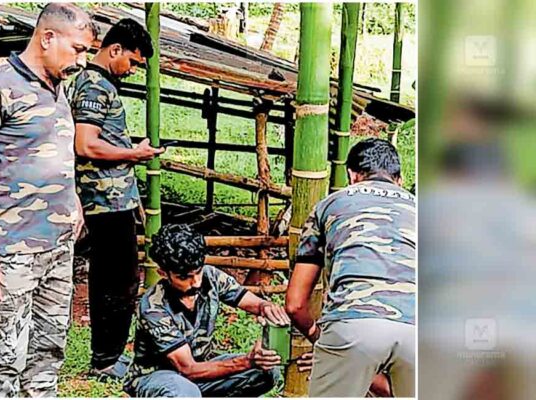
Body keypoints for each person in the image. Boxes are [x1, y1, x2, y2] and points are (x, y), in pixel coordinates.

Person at [0, 3, 97, 397]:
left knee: (48, 351)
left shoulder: (59, 88)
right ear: (47, 38)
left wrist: (75, 203)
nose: (81, 60)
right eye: (78, 49)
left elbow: (54, 157)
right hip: (10, 250)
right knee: (5, 361)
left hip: (58, 249)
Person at [66, 17, 164, 380]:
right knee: (116, 281)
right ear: (115, 49)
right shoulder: (93, 85)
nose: (133, 70)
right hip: (103, 201)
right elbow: (86, 144)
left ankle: (106, 356)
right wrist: (134, 155)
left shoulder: (100, 84)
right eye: (133, 62)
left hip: (114, 198)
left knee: (119, 278)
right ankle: (104, 360)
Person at [285, 138, 416, 397]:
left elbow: (294, 304)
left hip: (352, 325)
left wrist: (316, 336)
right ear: (399, 179)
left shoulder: (330, 205)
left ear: (352, 175)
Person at [123, 224, 292, 397]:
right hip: (157, 377)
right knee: (186, 392)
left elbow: (252, 302)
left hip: (202, 368)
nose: (195, 282)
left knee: (267, 372)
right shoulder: (153, 307)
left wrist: (267, 308)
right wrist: (247, 361)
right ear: (163, 273)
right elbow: (187, 368)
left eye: (198, 272)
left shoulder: (210, 277)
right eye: (184, 277)